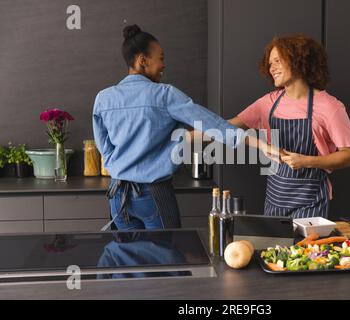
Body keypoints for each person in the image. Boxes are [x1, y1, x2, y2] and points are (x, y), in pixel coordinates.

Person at [93, 25, 274, 231]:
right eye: (160, 58)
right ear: (142, 60)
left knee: (129, 258)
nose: (164, 65)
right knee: (166, 258)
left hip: (117, 194)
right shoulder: (164, 94)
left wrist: (118, 166)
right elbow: (210, 123)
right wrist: (259, 144)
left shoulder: (103, 98)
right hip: (153, 194)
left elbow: (104, 147)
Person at [229, 34, 350, 218]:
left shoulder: (330, 107)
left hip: (310, 201)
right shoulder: (268, 103)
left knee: (306, 248)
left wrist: (306, 161)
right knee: (274, 248)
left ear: (298, 61)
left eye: (277, 61)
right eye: (269, 63)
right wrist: (186, 135)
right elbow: (225, 127)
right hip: (275, 198)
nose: (271, 68)